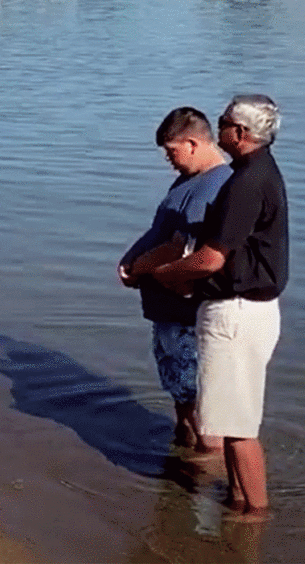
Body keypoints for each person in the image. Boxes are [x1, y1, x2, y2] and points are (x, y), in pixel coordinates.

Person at [153, 95, 287, 520]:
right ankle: (236, 503)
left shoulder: (247, 182)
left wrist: (169, 274)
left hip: (237, 311)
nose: (220, 126)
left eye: (225, 121)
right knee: (230, 424)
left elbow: (213, 257)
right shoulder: (254, 174)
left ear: (241, 134)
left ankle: (253, 518)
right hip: (245, 309)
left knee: (239, 429)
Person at [119, 107, 230, 453]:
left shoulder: (214, 185)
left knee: (200, 404)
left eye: (171, 151)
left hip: (186, 315)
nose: (168, 159)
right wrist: (130, 260)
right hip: (167, 312)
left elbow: (180, 248)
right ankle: (181, 464)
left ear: (193, 143)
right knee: (181, 396)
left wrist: (137, 269)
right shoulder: (188, 180)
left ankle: (204, 477)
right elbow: (161, 230)